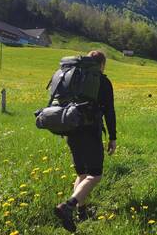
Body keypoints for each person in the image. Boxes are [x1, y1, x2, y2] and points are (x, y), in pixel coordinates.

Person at [54, 50, 117, 232]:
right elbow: (109, 112)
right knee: (95, 175)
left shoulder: (74, 80)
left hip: (70, 129)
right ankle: (68, 206)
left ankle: (81, 213)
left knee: (81, 173)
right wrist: (112, 137)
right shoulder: (102, 82)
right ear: (102, 65)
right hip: (90, 131)